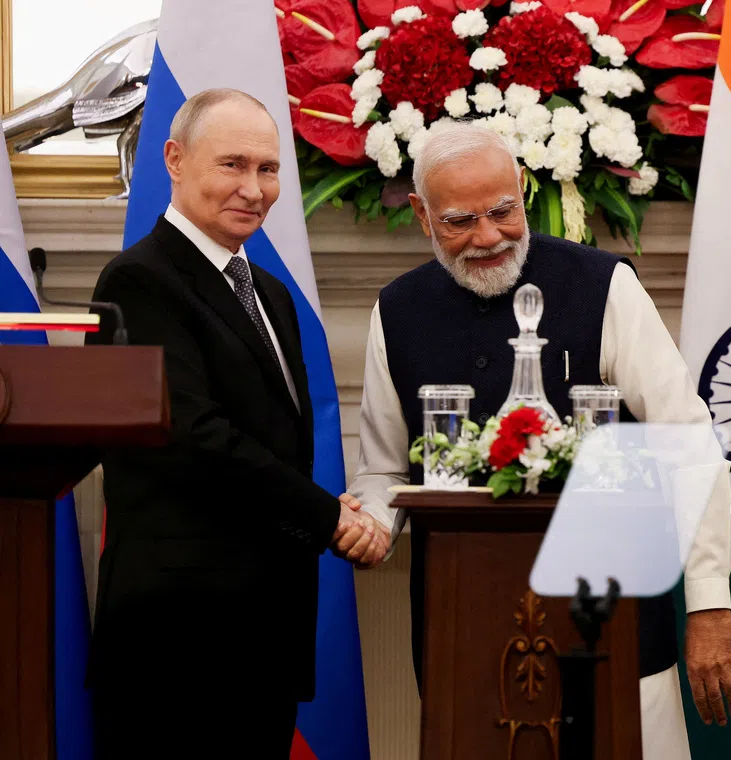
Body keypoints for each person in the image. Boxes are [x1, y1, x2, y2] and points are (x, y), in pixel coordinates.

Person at [349, 123, 731, 757]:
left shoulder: (603, 285)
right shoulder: (396, 312)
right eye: (459, 221)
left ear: (524, 190)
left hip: (617, 624)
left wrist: (708, 605)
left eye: (503, 211)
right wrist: (370, 524)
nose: (488, 237)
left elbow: (686, 442)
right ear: (422, 215)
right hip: (466, 632)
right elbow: (384, 470)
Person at [85, 88, 387, 758]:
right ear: (175, 159)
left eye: (269, 169)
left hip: (261, 642)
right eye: (233, 165)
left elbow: (272, 443)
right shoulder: (139, 281)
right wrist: (328, 516)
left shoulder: (269, 292)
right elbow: (191, 439)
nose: (254, 188)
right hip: (178, 649)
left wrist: (321, 508)